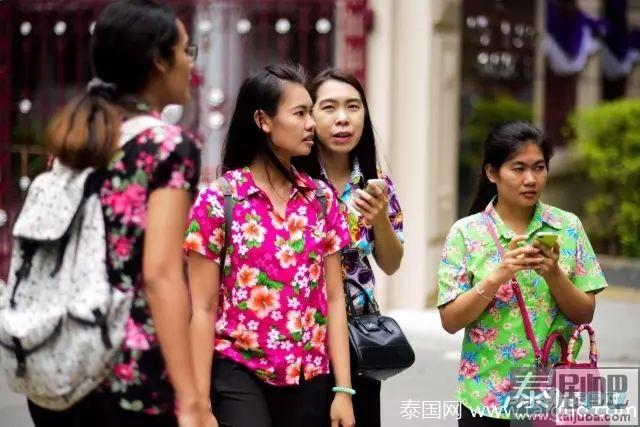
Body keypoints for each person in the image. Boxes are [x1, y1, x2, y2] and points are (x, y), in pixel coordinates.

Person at [27, 1, 211, 426]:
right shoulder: (169, 147)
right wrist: (192, 398)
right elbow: (161, 274)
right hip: (129, 375)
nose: (190, 64)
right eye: (186, 51)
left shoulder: (78, 140)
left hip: (61, 366)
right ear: (159, 62)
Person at [185, 64, 355, 427]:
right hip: (237, 371)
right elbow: (202, 307)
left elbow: (335, 298)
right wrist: (199, 405)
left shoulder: (322, 201)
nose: (312, 124)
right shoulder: (219, 201)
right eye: (300, 113)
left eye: (311, 112)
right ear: (263, 120)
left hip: (308, 376)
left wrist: (343, 390)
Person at [437, 121, 607, 426]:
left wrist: (553, 274)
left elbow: (585, 313)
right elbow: (450, 320)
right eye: (518, 169)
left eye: (539, 167)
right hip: (486, 399)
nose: (531, 179)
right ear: (492, 173)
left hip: (553, 394)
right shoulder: (466, 233)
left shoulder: (567, 227)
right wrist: (497, 276)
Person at [295, 68, 405, 427]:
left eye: (353, 107)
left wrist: (380, 220)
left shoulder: (375, 183)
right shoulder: (294, 182)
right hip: (301, 333)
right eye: (329, 107)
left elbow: (390, 263)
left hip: (359, 340)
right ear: (309, 116)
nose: (343, 118)